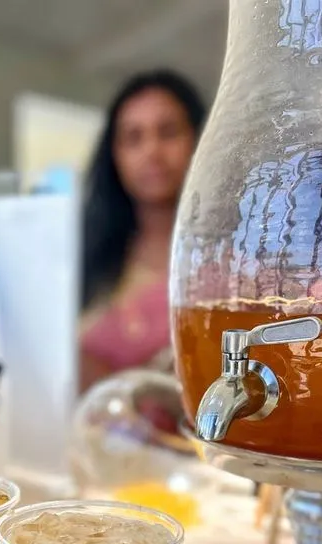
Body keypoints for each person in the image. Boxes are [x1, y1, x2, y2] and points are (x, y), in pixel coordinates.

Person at [79, 70, 206, 392]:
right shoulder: (88, 258)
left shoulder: (236, 257)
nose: (151, 151)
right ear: (114, 156)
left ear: (201, 139)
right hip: (94, 437)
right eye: (133, 138)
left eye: (168, 132)